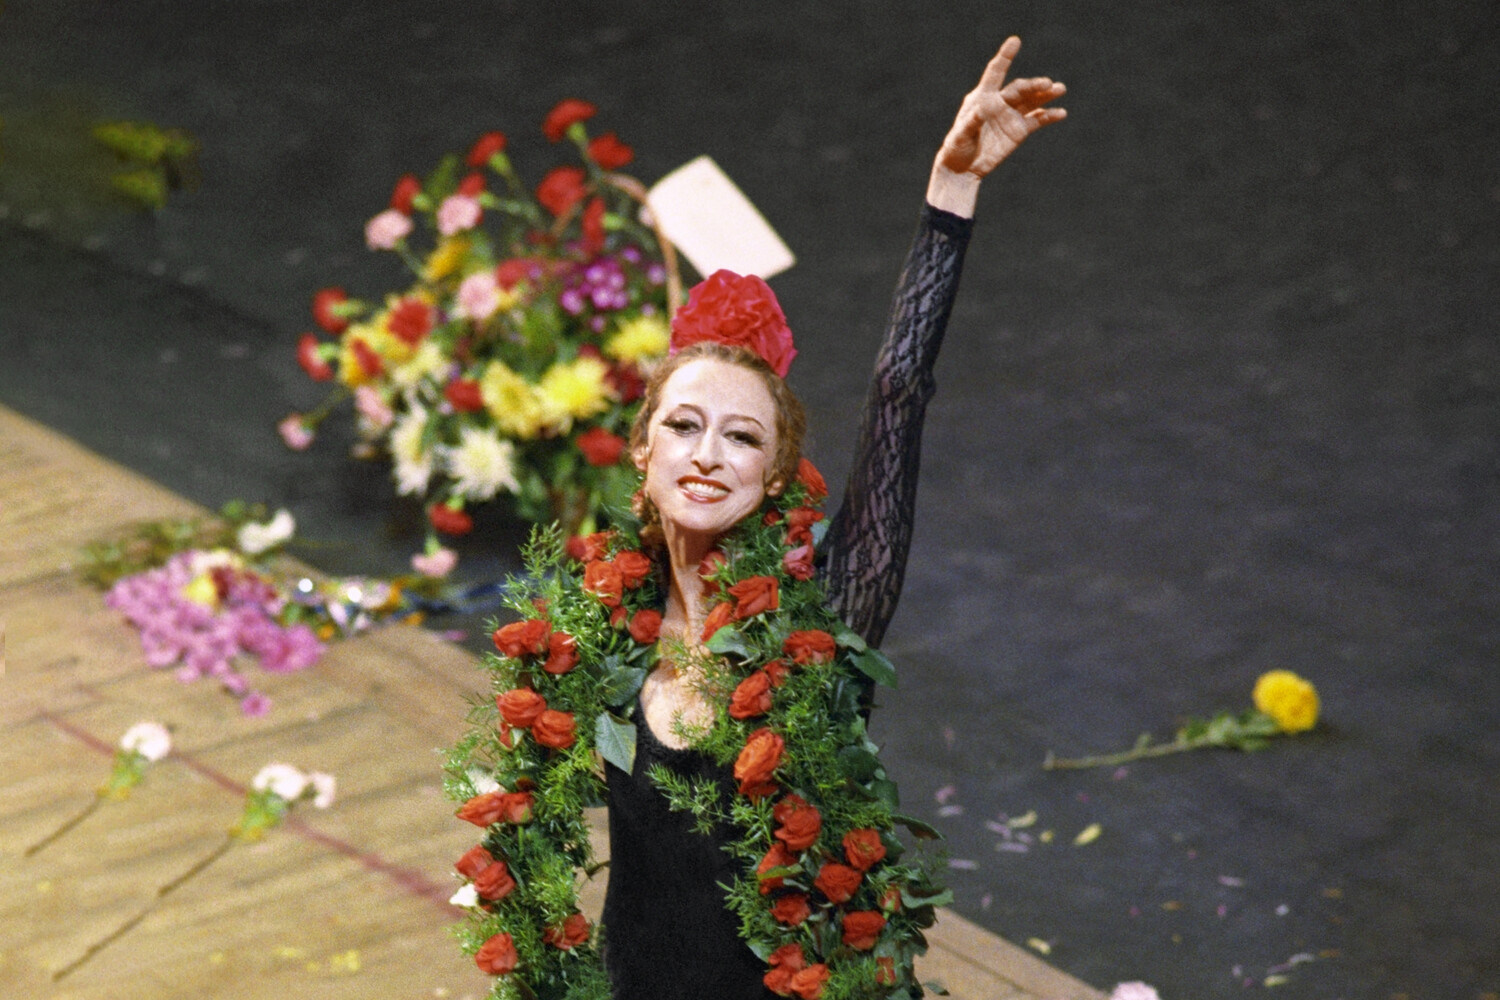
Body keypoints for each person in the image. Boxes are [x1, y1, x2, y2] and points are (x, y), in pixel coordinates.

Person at [453, 35, 1065, 1000]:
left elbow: (899, 393)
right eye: (684, 425)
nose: (708, 453)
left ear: (776, 472)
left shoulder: (828, 617)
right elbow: (532, 832)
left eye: (741, 437)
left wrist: (949, 200)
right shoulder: (599, 628)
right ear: (643, 448)